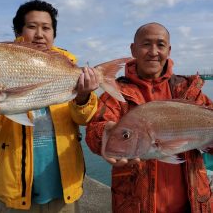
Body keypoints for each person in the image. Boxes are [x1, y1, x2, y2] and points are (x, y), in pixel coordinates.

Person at [0, 0, 99, 212]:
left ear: (53, 34)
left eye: (46, 28)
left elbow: (84, 119)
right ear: (19, 31)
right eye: (32, 27)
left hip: (64, 189)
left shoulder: (70, 68)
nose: (39, 34)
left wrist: (83, 96)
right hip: (14, 193)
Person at [86, 22, 213, 213]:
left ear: (168, 50)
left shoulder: (188, 90)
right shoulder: (116, 93)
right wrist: (104, 134)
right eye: (146, 44)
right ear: (133, 49)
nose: (153, 51)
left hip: (193, 204)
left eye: (160, 45)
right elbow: (96, 128)